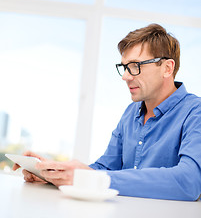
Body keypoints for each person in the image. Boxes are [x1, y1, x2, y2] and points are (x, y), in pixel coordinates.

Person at [13, 23, 201, 201]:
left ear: (167, 68)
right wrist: (54, 172)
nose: (126, 76)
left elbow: (189, 181)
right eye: (124, 67)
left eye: (135, 66)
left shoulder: (195, 112)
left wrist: (92, 178)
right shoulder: (131, 112)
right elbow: (104, 168)